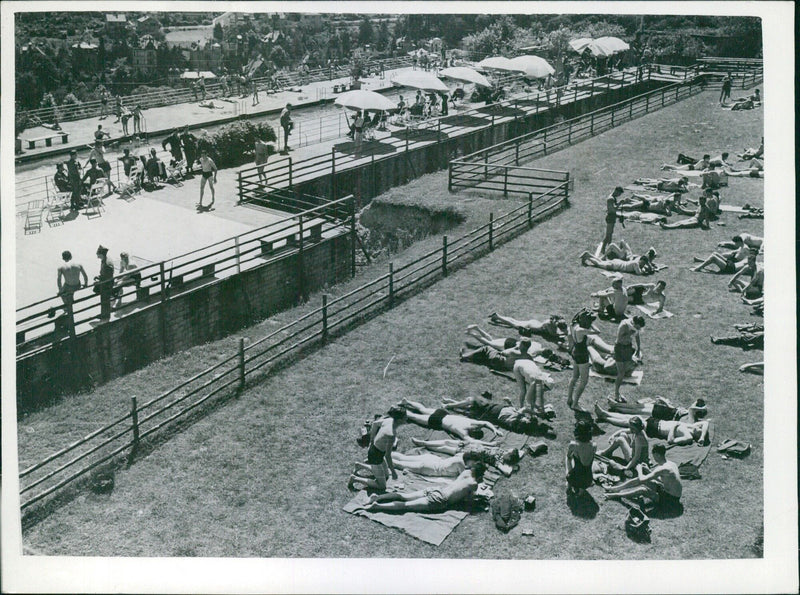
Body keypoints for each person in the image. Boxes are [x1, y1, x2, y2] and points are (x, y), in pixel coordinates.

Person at [358, 464, 486, 513]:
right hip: (441, 499)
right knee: (406, 505)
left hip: (437, 489)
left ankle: (378, 497)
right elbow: (468, 501)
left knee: (404, 496)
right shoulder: (473, 483)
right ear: (480, 475)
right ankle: (377, 506)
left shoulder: (465, 472)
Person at [605, 443, 682, 514]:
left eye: (654, 455)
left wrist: (639, 470)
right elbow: (664, 480)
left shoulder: (662, 468)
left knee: (642, 489)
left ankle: (615, 495)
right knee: (647, 481)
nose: (653, 457)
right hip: (671, 494)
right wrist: (648, 471)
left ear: (658, 455)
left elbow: (642, 479)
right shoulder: (672, 464)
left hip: (671, 501)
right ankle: (615, 488)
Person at [349, 406, 407, 492]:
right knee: (382, 486)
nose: (406, 419)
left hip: (376, 451)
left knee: (386, 475)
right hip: (375, 457)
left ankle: (359, 465)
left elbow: (375, 424)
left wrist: (372, 440)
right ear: (399, 420)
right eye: (405, 417)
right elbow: (388, 456)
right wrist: (393, 471)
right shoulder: (391, 434)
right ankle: (355, 479)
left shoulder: (389, 420)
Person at [595, 402, 710, 445]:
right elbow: (705, 424)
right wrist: (703, 437)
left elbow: (671, 441)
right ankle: (605, 414)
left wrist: (674, 426)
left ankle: (605, 416)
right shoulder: (692, 427)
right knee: (630, 417)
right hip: (658, 422)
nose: (699, 427)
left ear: (696, 435)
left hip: (656, 429)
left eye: (699, 431)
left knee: (628, 421)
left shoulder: (688, 437)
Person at [410, 437, 522, 477]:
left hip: (467, 453)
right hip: (471, 445)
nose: (507, 450)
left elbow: (507, 471)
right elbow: (521, 452)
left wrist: (513, 466)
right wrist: (490, 444)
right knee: (447, 441)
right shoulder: (500, 451)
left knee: (444, 448)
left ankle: (424, 444)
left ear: (509, 456)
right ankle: (423, 442)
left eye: (509, 451)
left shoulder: (498, 460)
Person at [401, 398, 503, 442]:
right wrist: (493, 436)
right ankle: (398, 410)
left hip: (443, 413)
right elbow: (472, 441)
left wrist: (495, 429)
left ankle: (407, 402)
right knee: (413, 417)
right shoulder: (463, 431)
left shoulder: (470, 422)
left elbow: (485, 423)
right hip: (437, 420)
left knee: (422, 409)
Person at [566, 309, 600, 412]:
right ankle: (575, 404)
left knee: (574, 377)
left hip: (575, 352)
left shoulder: (573, 325)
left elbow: (575, 317)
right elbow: (598, 331)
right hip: (582, 355)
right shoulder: (581, 330)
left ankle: (569, 398)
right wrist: (592, 324)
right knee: (584, 381)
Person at [388, 449, 489, 478]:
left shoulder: (461, 455)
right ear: (471, 460)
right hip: (429, 468)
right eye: (474, 463)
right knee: (399, 464)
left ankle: (385, 452)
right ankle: (379, 457)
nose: (473, 466)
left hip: (431, 460)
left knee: (403, 458)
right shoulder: (461, 464)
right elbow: (464, 478)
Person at [613, 316, 645, 403]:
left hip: (628, 348)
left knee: (626, 371)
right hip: (620, 348)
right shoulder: (624, 325)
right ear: (634, 323)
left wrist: (638, 348)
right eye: (637, 327)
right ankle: (616, 394)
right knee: (621, 373)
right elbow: (620, 338)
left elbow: (637, 336)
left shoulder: (635, 327)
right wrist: (629, 334)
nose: (638, 329)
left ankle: (618, 392)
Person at [488, 313, 568, 347]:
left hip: (534, 323)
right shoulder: (548, 324)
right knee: (514, 324)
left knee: (515, 321)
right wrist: (562, 334)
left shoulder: (551, 322)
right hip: (531, 326)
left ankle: (497, 316)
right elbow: (552, 334)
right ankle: (498, 317)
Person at [57, 250, 88, 331]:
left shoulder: (61, 267)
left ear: (63, 258)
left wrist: (60, 291)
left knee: (61, 294)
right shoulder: (79, 264)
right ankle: (70, 301)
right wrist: (85, 284)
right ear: (71, 256)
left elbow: (59, 280)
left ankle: (67, 307)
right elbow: (85, 275)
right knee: (70, 291)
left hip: (68, 286)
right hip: (77, 285)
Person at [459, 338, 534, 372]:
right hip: (504, 368)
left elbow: (504, 352)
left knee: (487, 348)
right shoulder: (529, 357)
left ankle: (465, 356)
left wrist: (515, 347)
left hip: (497, 361)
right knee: (489, 354)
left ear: (522, 345)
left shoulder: (515, 351)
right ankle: (478, 358)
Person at [565, 419, 596, 496]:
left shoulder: (573, 445)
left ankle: (569, 485)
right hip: (588, 480)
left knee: (568, 458)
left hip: (574, 479)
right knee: (585, 467)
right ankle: (581, 490)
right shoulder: (594, 445)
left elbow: (569, 457)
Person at [580, 252, 654, 276]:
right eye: (643, 263)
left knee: (600, 261)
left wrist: (647, 265)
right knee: (599, 264)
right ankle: (588, 257)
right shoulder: (636, 264)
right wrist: (647, 271)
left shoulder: (638, 260)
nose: (643, 265)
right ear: (641, 261)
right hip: (616, 266)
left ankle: (588, 254)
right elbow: (639, 273)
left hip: (618, 262)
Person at [94, 245, 115, 322]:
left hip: (107, 284)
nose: (97, 256)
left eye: (98, 254)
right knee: (104, 299)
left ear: (101, 254)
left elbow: (108, 276)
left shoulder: (107, 263)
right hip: (105, 282)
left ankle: (105, 316)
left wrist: (100, 280)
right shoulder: (105, 259)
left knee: (105, 299)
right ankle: (104, 314)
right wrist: (99, 277)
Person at [601, 186, 625, 253]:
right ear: (616, 191)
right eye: (619, 194)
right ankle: (603, 249)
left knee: (610, 234)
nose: (619, 195)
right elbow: (613, 209)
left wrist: (620, 203)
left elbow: (614, 206)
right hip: (610, 217)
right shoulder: (611, 199)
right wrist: (620, 203)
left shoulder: (613, 198)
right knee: (608, 235)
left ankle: (609, 248)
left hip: (612, 217)